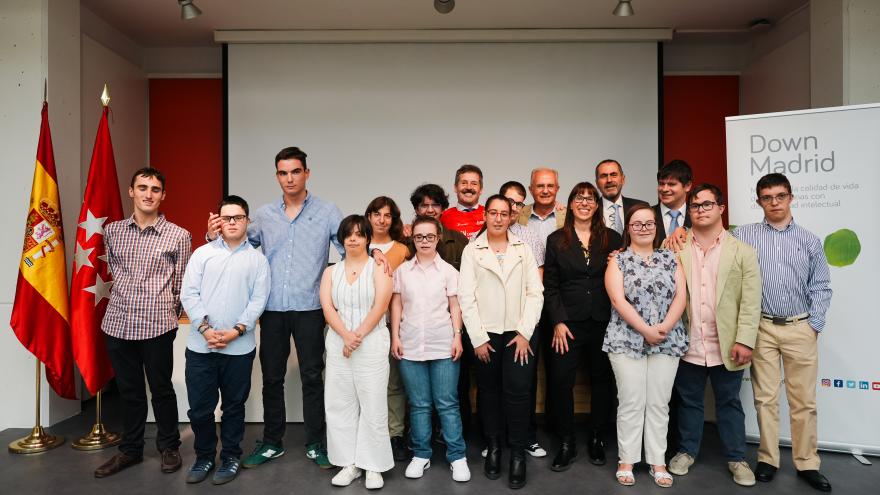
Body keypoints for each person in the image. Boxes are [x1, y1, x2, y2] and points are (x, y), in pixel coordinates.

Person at [207, 147, 344, 470]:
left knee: (312, 376)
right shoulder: (264, 215)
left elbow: (348, 248)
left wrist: (376, 254)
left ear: (307, 173)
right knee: (272, 378)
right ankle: (272, 442)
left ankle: (316, 443)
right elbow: (239, 246)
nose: (290, 178)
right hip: (272, 309)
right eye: (283, 173)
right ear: (277, 176)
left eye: (296, 171)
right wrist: (213, 236)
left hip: (311, 307)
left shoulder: (327, 212)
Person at [733, 173, 833, 492]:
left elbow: (821, 286)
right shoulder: (744, 235)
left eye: (780, 196)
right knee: (765, 399)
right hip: (761, 327)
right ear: (759, 201)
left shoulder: (809, 240)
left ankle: (807, 463)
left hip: (800, 327)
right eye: (767, 197)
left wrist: (814, 324)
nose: (774, 202)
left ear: (791, 197)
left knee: (803, 401)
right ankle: (768, 459)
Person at [95, 167, 191, 478]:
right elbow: (115, 273)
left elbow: (181, 285)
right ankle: (130, 450)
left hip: (157, 326)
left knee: (161, 389)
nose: (148, 194)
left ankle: (169, 446)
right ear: (131, 191)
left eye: (155, 189)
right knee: (129, 391)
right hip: (118, 324)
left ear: (163, 195)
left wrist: (165, 312)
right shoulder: (113, 232)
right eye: (142, 187)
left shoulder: (179, 235)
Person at [666, 184, 761, 487]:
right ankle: (686, 451)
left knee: (729, 402)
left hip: (728, 343)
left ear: (721, 208)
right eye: (695, 205)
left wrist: (745, 340)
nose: (701, 210)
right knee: (689, 401)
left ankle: (737, 458)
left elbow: (751, 301)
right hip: (687, 341)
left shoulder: (743, 251)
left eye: (707, 204)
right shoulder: (674, 247)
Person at [181, 195, 271, 485]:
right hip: (201, 346)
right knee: (200, 409)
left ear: (247, 221)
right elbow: (189, 293)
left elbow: (258, 300)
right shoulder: (202, 254)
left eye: (238, 217)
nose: (232, 222)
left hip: (239, 348)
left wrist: (237, 330)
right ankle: (204, 456)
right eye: (226, 217)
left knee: (233, 407)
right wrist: (205, 328)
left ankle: (231, 456)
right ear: (218, 221)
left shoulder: (258, 260)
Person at [459, 194, 544, 489]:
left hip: (518, 335)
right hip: (486, 335)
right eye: (492, 213)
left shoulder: (523, 249)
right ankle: (494, 446)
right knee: (489, 392)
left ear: (511, 217)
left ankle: (517, 453)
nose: (497, 218)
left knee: (518, 392)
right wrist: (477, 338)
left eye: (503, 213)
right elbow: (466, 297)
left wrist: (525, 333)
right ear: (485, 215)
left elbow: (535, 293)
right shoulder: (472, 250)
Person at [603, 203, 687, 488]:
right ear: (628, 228)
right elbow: (618, 300)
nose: (643, 228)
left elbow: (680, 297)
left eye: (649, 223)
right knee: (631, 402)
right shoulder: (618, 260)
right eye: (637, 224)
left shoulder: (670, 258)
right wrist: (645, 330)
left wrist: (663, 328)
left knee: (659, 403)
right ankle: (626, 460)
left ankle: (657, 461)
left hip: (667, 339)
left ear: (656, 227)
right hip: (626, 340)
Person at [544, 182, 623, 471]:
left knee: (602, 382)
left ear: (597, 205)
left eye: (590, 198)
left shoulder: (612, 238)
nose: (585, 202)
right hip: (567, 323)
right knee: (561, 381)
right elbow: (550, 286)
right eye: (579, 198)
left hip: (604, 321)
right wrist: (558, 321)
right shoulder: (556, 240)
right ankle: (566, 442)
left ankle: (596, 437)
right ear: (571, 204)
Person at [391, 215, 471, 483]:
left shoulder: (449, 272)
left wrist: (457, 337)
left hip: (443, 344)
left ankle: (457, 456)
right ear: (412, 239)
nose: (424, 241)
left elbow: (455, 306)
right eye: (419, 237)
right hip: (410, 344)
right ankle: (421, 455)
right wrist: (395, 337)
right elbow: (396, 305)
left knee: (447, 403)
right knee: (419, 405)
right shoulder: (402, 271)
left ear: (438, 238)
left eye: (429, 236)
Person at [320, 215, 395, 489]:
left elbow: (381, 305)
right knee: (339, 403)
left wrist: (357, 336)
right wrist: (345, 336)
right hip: (339, 343)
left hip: (371, 342)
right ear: (342, 239)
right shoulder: (331, 272)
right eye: (348, 234)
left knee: (373, 404)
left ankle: (373, 465)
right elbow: (328, 308)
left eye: (359, 234)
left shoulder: (379, 268)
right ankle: (348, 463)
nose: (353, 239)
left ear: (367, 239)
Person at [407, 184, 473, 433]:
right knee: (419, 395)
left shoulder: (459, 240)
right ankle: (422, 437)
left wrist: (459, 330)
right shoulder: (408, 240)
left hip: (453, 326)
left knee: (455, 387)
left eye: (435, 204)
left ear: (443, 208)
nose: (430, 209)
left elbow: (468, 285)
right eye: (424, 205)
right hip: (417, 329)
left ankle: (456, 435)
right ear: (416, 209)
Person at [365, 196, 412, 461]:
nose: (381, 220)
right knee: (365, 383)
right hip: (362, 326)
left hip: (392, 323)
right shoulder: (359, 245)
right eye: (377, 214)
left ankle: (395, 434)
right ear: (368, 217)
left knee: (393, 383)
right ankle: (368, 433)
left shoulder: (403, 250)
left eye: (387, 215)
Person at [595, 159, 648, 235]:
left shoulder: (641, 207)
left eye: (613, 175)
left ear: (623, 179)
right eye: (603, 176)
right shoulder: (591, 211)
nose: (609, 180)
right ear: (597, 183)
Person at [440, 164, 485, 240]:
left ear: (481, 190)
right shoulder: (444, 217)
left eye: (474, 184)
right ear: (455, 188)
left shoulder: (490, 215)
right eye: (464, 183)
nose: (469, 187)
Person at [653, 160, 693, 244]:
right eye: (661, 184)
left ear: (687, 186)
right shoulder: (647, 214)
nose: (664, 189)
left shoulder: (698, 215)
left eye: (671, 184)